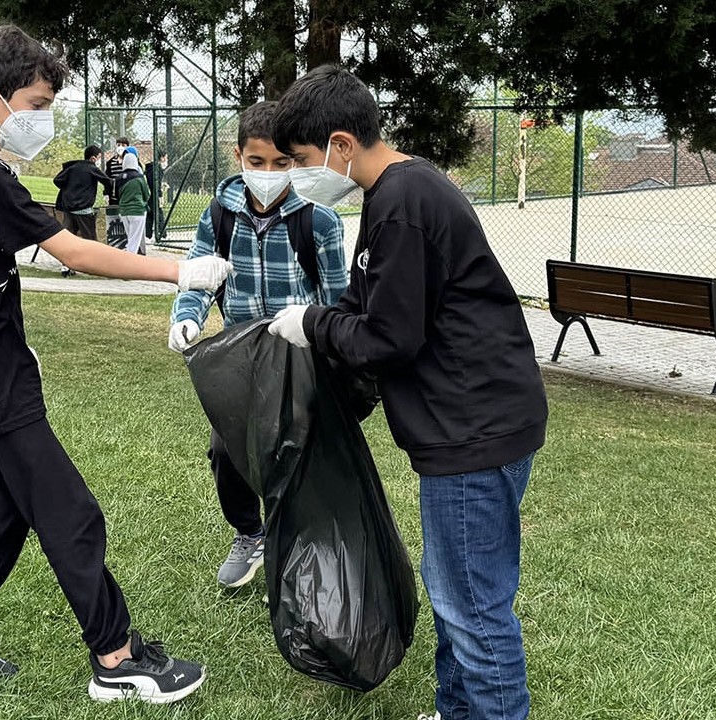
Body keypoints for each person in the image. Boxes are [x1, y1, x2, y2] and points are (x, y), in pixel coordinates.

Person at [0, 24, 231, 704]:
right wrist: (181, 270)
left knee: (3, 510)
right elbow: (75, 252)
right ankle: (118, 659)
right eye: (36, 104)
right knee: (71, 512)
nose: (43, 118)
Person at [266, 65, 548, 720]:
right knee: (456, 592)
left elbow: (388, 338)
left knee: (474, 607)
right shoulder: (393, 194)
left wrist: (313, 324)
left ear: (340, 145)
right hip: (467, 424)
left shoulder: (403, 202)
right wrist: (317, 331)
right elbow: (365, 302)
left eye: (301, 161)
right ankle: (458, 710)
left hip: (473, 430)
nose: (298, 176)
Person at [167, 100, 348, 588]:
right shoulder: (218, 216)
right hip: (239, 355)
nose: (268, 174)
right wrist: (186, 318)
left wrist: (335, 353)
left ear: (296, 160)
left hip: (300, 357)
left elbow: (338, 299)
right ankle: (250, 533)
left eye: (281, 162)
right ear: (238, 156)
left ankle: (301, 546)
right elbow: (198, 278)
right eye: (257, 162)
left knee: (298, 455)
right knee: (228, 451)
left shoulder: (320, 220)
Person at [53, 145, 111, 242]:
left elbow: (57, 180)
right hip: (84, 210)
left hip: (69, 208)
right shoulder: (91, 168)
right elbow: (107, 181)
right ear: (93, 158)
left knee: (67, 238)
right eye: (99, 158)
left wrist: (68, 189)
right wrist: (107, 193)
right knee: (90, 238)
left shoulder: (73, 167)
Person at [116, 151, 150, 254]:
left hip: (124, 211)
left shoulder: (119, 178)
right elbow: (147, 194)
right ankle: (130, 259)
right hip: (138, 211)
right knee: (134, 240)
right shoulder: (139, 177)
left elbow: (117, 195)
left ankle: (130, 255)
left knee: (130, 237)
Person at [105, 137, 130, 203]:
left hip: (128, 195)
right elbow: (107, 179)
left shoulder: (132, 161)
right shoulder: (110, 162)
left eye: (123, 145)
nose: (120, 147)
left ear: (127, 147)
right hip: (114, 196)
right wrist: (106, 193)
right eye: (118, 145)